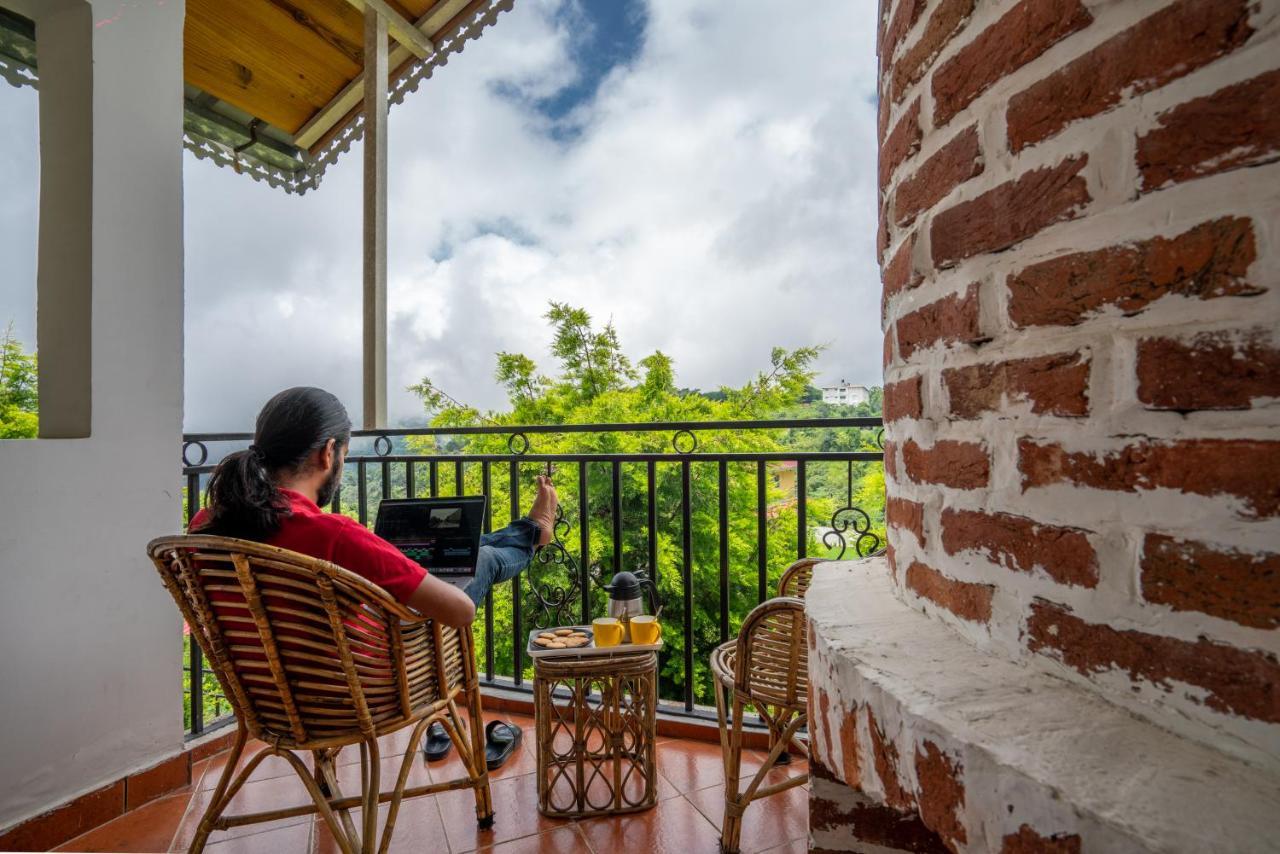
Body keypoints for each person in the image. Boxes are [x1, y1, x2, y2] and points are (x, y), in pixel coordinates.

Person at [189, 386, 554, 764]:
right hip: (365, 693)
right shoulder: (333, 535)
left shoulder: (205, 526)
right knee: (483, 561)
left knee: (469, 551)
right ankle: (533, 533)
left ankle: (528, 530)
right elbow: (460, 612)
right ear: (328, 452)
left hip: (263, 697)